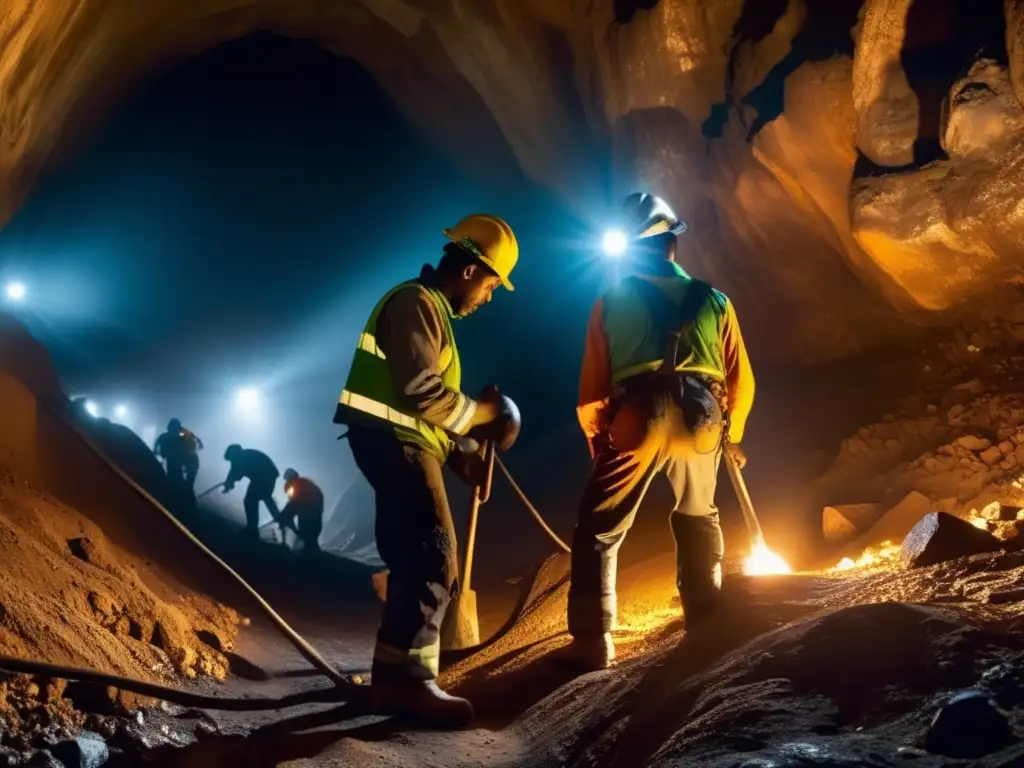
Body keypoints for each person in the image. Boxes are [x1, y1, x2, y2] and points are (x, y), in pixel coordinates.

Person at [334, 213, 522, 727]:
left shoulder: (430, 309)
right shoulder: (416, 304)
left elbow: (423, 409)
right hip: (393, 442)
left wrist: (459, 456)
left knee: (415, 558)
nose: (487, 297)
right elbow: (420, 392)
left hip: (402, 442)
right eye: (489, 284)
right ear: (469, 271)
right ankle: (410, 685)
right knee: (435, 555)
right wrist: (487, 417)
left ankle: (392, 677)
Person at [563, 192, 755, 671]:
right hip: (704, 414)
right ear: (674, 244)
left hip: (638, 409)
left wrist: (601, 440)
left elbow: (591, 393)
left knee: (600, 526)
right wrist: (733, 436)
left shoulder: (610, 301)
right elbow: (741, 379)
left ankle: (593, 641)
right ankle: (705, 620)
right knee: (698, 513)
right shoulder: (715, 300)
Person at [221, 444, 286, 539]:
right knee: (264, 496)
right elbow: (235, 472)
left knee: (251, 500)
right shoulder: (241, 456)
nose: (231, 461)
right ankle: (279, 519)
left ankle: (253, 529)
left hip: (265, 475)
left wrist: (229, 483)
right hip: (266, 475)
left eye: (231, 459)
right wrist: (229, 483)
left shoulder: (241, 458)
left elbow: (235, 473)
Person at [280, 468, 324, 554]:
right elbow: (294, 501)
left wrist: (284, 515)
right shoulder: (304, 483)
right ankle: (314, 555)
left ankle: (309, 556)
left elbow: (293, 502)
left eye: (287, 479)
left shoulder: (297, 484)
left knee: (306, 533)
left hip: (309, 511)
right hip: (315, 511)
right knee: (311, 538)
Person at [154, 418, 204, 493]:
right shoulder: (167, 436)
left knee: (179, 479)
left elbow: (158, 445)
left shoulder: (177, 435)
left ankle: (184, 490)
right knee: (177, 478)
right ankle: (182, 491)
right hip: (177, 460)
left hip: (181, 459)